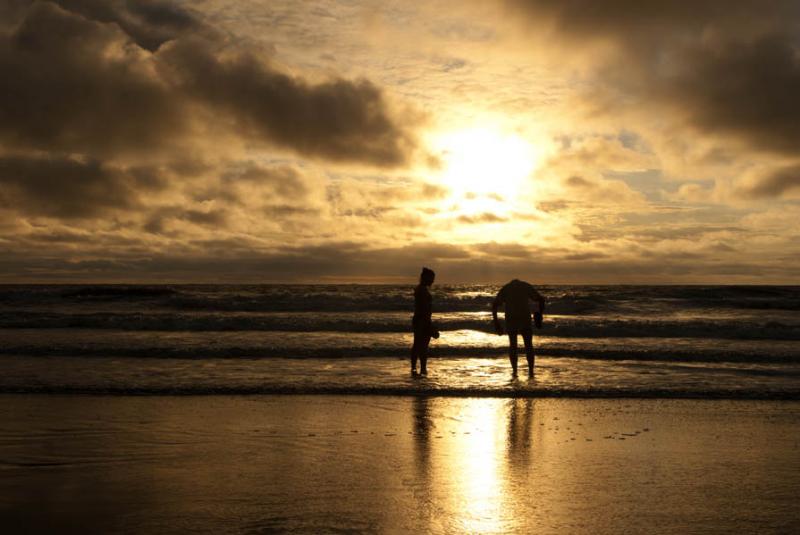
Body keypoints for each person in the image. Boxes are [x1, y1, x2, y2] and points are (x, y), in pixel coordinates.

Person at [492, 279, 546, 376]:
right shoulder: (525, 286)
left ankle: (515, 371)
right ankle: (531, 371)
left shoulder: (506, 288)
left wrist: (496, 322)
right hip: (524, 316)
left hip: (511, 318)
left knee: (513, 346)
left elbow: (495, 305)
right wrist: (539, 315)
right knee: (528, 345)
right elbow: (541, 299)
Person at [411, 267, 439, 375]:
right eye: (432, 278)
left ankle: (421, 368)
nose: (433, 281)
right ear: (426, 278)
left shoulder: (421, 289)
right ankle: (417, 368)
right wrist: (428, 324)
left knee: (421, 345)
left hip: (422, 320)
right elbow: (423, 309)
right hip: (421, 320)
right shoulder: (421, 290)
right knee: (419, 345)